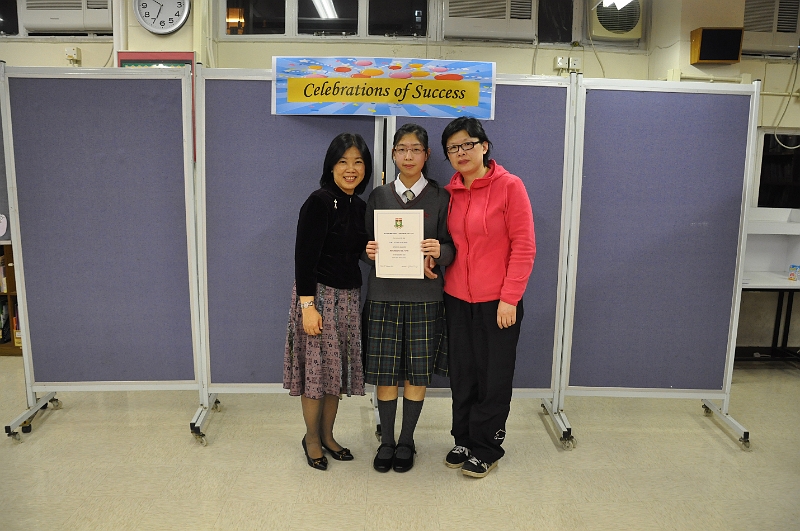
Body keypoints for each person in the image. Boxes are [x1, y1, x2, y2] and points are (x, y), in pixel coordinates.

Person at [432, 117, 535, 478]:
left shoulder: (510, 186)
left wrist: (510, 298)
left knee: (493, 377)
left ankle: (487, 446)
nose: (461, 152)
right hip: (457, 298)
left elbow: (524, 246)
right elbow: (450, 246)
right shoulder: (450, 193)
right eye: (452, 148)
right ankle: (463, 439)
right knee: (463, 374)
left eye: (467, 144)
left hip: (498, 302)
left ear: (484, 146)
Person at [363, 123, 455, 473]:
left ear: (426, 155)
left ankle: (406, 441)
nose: (408, 155)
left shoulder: (441, 197)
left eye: (416, 149)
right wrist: (368, 252)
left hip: (425, 299)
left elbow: (452, 247)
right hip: (383, 296)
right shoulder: (379, 196)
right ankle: (386, 441)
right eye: (402, 149)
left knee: (417, 374)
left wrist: (439, 252)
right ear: (393, 154)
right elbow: (364, 246)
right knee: (385, 375)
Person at [283, 132, 372, 471]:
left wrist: (373, 252)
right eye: (343, 161)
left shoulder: (360, 206)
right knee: (315, 373)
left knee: (335, 373)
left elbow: (357, 251)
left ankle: (328, 435)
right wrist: (308, 308)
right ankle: (311, 438)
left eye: (358, 162)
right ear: (331, 166)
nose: (351, 169)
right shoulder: (318, 202)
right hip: (318, 298)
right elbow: (304, 258)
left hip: (348, 299)